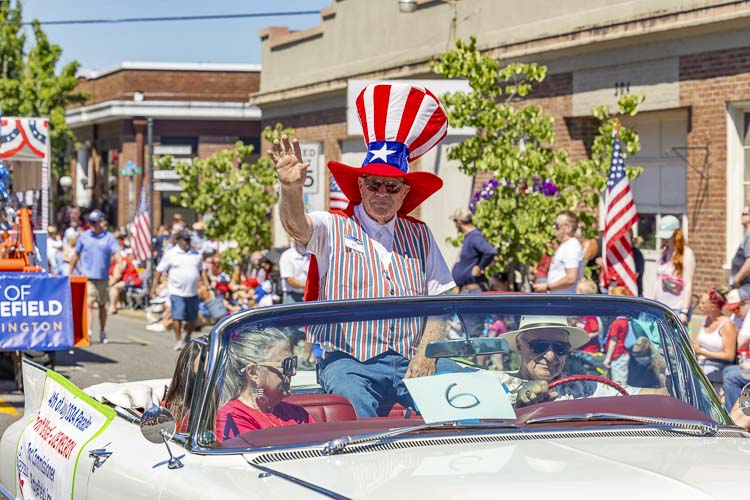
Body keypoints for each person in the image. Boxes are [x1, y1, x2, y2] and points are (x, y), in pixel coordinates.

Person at [269, 82, 458, 417]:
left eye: (391, 186)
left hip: (411, 360)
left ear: (404, 192)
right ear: (360, 185)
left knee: (468, 401)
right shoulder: (333, 226)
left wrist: (426, 354)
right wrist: (290, 188)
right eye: (373, 184)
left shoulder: (420, 234)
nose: (381, 193)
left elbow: (442, 300)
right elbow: (297, 227)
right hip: (348, 361)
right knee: (354, 413)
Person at [497, 316, 666, 406]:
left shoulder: (585, 387)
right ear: (520, 346)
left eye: (560, 347)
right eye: (539, 346)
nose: (550, 356)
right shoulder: (496, 385)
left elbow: (650, 396)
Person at [215, 327, 312, 442]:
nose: (293, 372)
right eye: (286, 365)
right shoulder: (232, 418)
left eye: (293, 363)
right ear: (253, 372)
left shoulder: (297, 414)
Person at [68, 210, 122, 344]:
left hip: (103, 277)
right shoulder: (84, 237)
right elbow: (75, 256)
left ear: (101, 222)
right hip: (88, 277)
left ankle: (102, 330)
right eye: (90, 222)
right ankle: (89, 331)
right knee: (89, 303)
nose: (91, 225)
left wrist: (118, 268)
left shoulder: (109, 238)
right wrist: (69, 272)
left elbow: (117, 255)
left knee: (102, 305)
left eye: (94, 222)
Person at [152, 230, 209, 351]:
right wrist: (154, 286)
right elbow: (159, 270)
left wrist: (205, 282)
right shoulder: (171, 254)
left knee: (193, 319)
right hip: (176, 291)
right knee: (177, 316)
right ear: (178, 241)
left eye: (188, 239)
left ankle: (187, 336)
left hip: (192, 292)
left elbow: (201, 270)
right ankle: (178, 340)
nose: (187, 242)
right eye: (184, 239)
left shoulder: (196, 254)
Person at [649, 215, 695, 325]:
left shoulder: (686, 253)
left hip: (677, 308)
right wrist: (651, 301)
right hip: (661, 305)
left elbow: (688, 284)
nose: (665, 240)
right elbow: (658, 280)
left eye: (668, 237)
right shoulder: (664, 252)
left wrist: (684, 311)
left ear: (676, 234)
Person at [693, 288, 737, 386]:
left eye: (703, 303)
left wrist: (702, 352)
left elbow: (729, 355)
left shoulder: (727, 325)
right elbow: (698, 343)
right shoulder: (706, 319)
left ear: (713, 306)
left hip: (718, 366)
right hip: (701, 362)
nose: (700, 306)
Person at [532, 211, 584, 294]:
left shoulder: (571, 246)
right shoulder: (566, 245)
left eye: (557, 225)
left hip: (564, 301)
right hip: (560, 299)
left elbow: (571, 277)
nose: (553, 227)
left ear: (568, 228)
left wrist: (547, 286)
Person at [450, 207, 497, 293]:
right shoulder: (470, 236)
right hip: (467, 289)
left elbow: (490, 251)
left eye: (455, 221)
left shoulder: (475, 236)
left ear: (459, 221)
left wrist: (480, 267)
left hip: (473, 290)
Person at [603, 286, 633, 385]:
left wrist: (608, 358)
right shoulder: (625, 321)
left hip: (617, 355)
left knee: (618, 383)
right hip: (621, 354)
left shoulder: (617, 323)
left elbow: (613, 341)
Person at [730, 206, 750, 289]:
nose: (741, 217)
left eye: (743, 214)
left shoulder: (749, 237)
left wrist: (736, 280)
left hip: (744, 286)